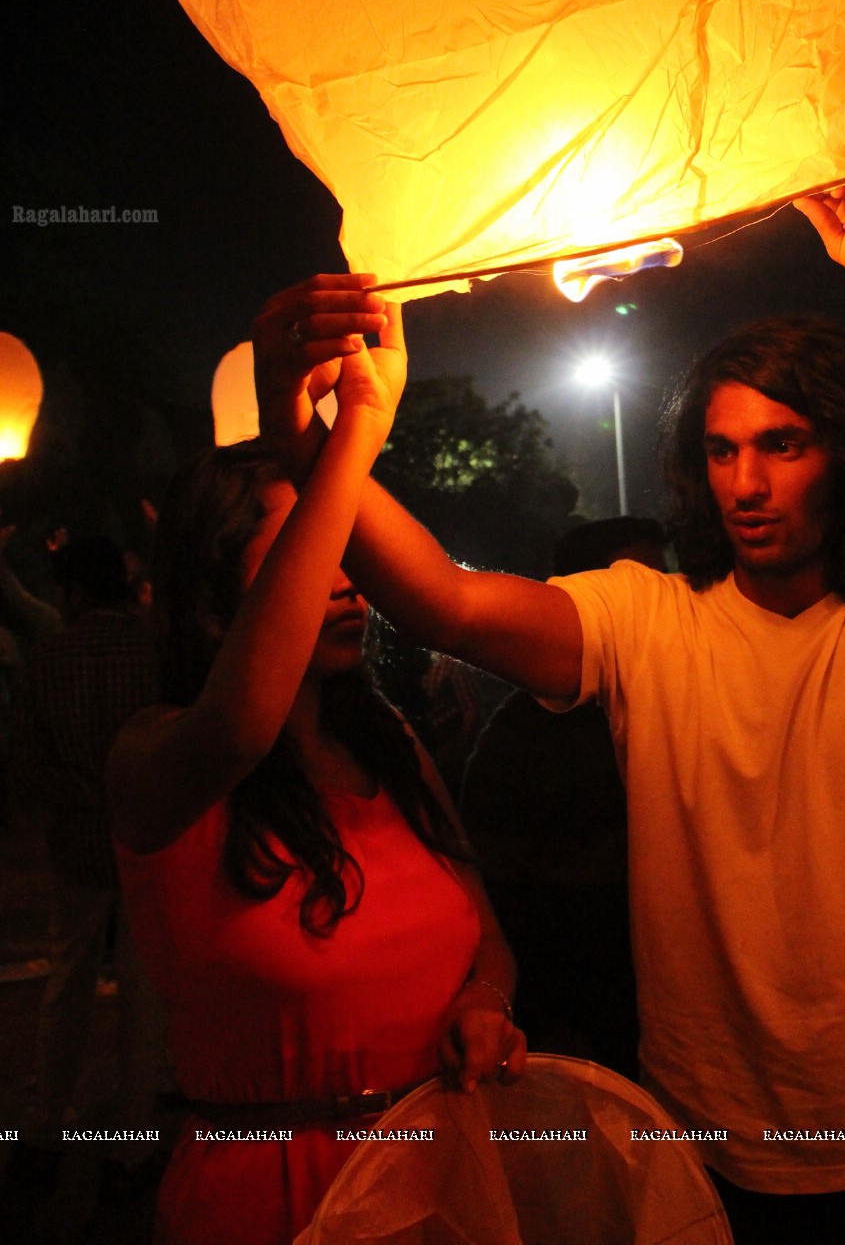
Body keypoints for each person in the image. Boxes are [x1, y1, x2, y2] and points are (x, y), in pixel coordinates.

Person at [253, 165, 845, 1245]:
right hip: (709, 1153)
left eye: (783, 444)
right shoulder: (645, 619)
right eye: (722, 450)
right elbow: (439, 603)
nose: (746, 484)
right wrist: (326, 440)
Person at [106, 316, 526, 1245]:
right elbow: (237, 732)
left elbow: (484, 938)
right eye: (310, 548)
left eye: (348, 551)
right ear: (214, 598)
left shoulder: (389, 744)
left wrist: (485, 1006)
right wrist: (351, 434)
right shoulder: (156, 756)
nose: (348, 581)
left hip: (438, 1179)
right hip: (277, 1193)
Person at [459, 517, 666, 1080]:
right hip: (573, 991)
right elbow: (490, 860)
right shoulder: (525, 729)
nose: (667, 599)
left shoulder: (679, 699)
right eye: (640, 582)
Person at [15, 536, 163, 1192]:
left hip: (77, 838)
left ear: (72, 592)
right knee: (143, 987)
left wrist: (78, 797)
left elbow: (26, 761)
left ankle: (47, 1124)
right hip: (146, 836)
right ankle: (131, 1140)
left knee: (66, 978)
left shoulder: (46, 657)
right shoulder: (156, 651)